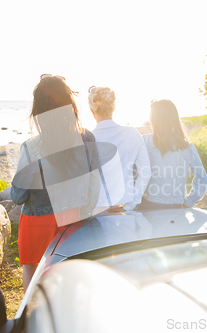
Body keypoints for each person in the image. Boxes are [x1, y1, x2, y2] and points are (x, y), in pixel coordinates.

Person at [11, 75, 100, 290]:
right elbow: (94, 186)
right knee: (71, 273)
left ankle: (31, 315)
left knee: (33, 270)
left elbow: (18, 196)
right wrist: (81, 213)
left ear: (38, 112)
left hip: (38, 222)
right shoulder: (87, 138)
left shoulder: (31, 148)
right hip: (73, 217)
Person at [89, 86, 151, 211]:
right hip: (123, 208)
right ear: (113, 108)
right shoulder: (132, 134)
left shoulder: (87, 138)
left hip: (95, 211)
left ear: (92, 111)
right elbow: (146, 172)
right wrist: (131, 204)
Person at [139, 99, 207, 209]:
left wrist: (133, 200)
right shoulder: (186, 147)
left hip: (146, 205)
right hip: (175, 206)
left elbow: (131, 174)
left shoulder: (143, 141)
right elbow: (202, 179)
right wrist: (189, 202)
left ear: (153, 119)